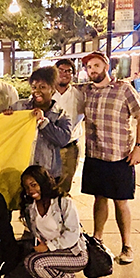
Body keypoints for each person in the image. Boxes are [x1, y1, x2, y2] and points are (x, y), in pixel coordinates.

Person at [78, 51, 140, 264]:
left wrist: (138, 147)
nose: (93, 70)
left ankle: (127, 245)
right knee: (99, 199)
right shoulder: (86, 92)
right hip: (96, 155)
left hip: (120, 156)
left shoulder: (123, 89)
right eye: (89, 67)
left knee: (121, 202)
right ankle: (97, 239)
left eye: (96, 66)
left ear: (105, 66)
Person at [21, 165, 88, 278]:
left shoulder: (63, 202)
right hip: (52, 252)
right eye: (26, 187)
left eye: (34, 185)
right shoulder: (30, 208)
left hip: (74, 253)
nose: (30, 190)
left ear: (43, 182)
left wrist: (49, 246)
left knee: (34, 263)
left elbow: (72, 233)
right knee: (26, 260)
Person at [8, 66, 71, 180]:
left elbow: (63, 139)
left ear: (52, 90)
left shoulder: (60, 114)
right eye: (34, 87)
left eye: (42, 87)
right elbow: (5, 129)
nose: (37, 91)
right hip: (21, 169)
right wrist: (1, 117)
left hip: (47, 172)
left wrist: (44, 123)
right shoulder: (19, 107)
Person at [53, 59, 85, 193]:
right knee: (46, 184)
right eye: (60, 70)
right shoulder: (46, 92)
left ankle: (62, 213)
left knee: (64, 188)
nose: (64, 74)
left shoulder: (79, 95)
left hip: (69, 148)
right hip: (48, 146)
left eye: (68, 71)